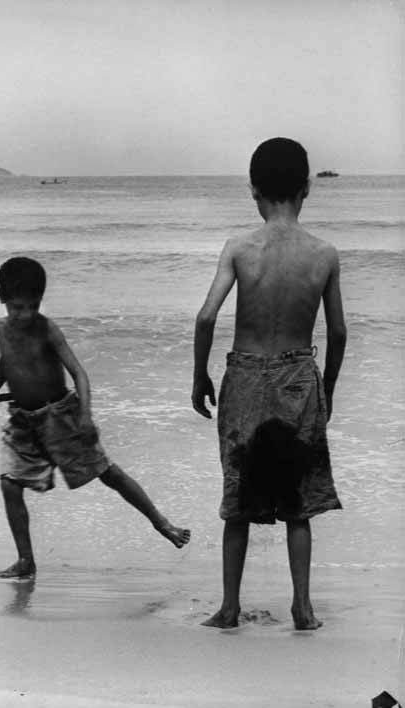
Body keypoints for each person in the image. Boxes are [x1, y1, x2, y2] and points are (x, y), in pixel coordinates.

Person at [192, 138, 346, 630]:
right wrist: (329, 389)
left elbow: (205, 316)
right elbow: (339, 332)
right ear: (306, 189)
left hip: (245, 376)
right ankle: (303, 608)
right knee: (298, 500)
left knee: (238, 498)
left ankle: (229, 608)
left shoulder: (239, 248)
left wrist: (200, 375)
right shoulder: (324, 253)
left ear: (253, 191)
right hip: (300, 376)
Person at [0, 256, 190, 579]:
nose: (26, 314)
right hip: (22, 420)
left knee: (108, 473)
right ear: (1, 299)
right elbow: (6, 363)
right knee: (9, 484)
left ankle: (163, 524)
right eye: (18, 307)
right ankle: (26, 561)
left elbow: (79, 374)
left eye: (33, 306)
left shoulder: (47, 330)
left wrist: (86, 416)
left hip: (60, 415)